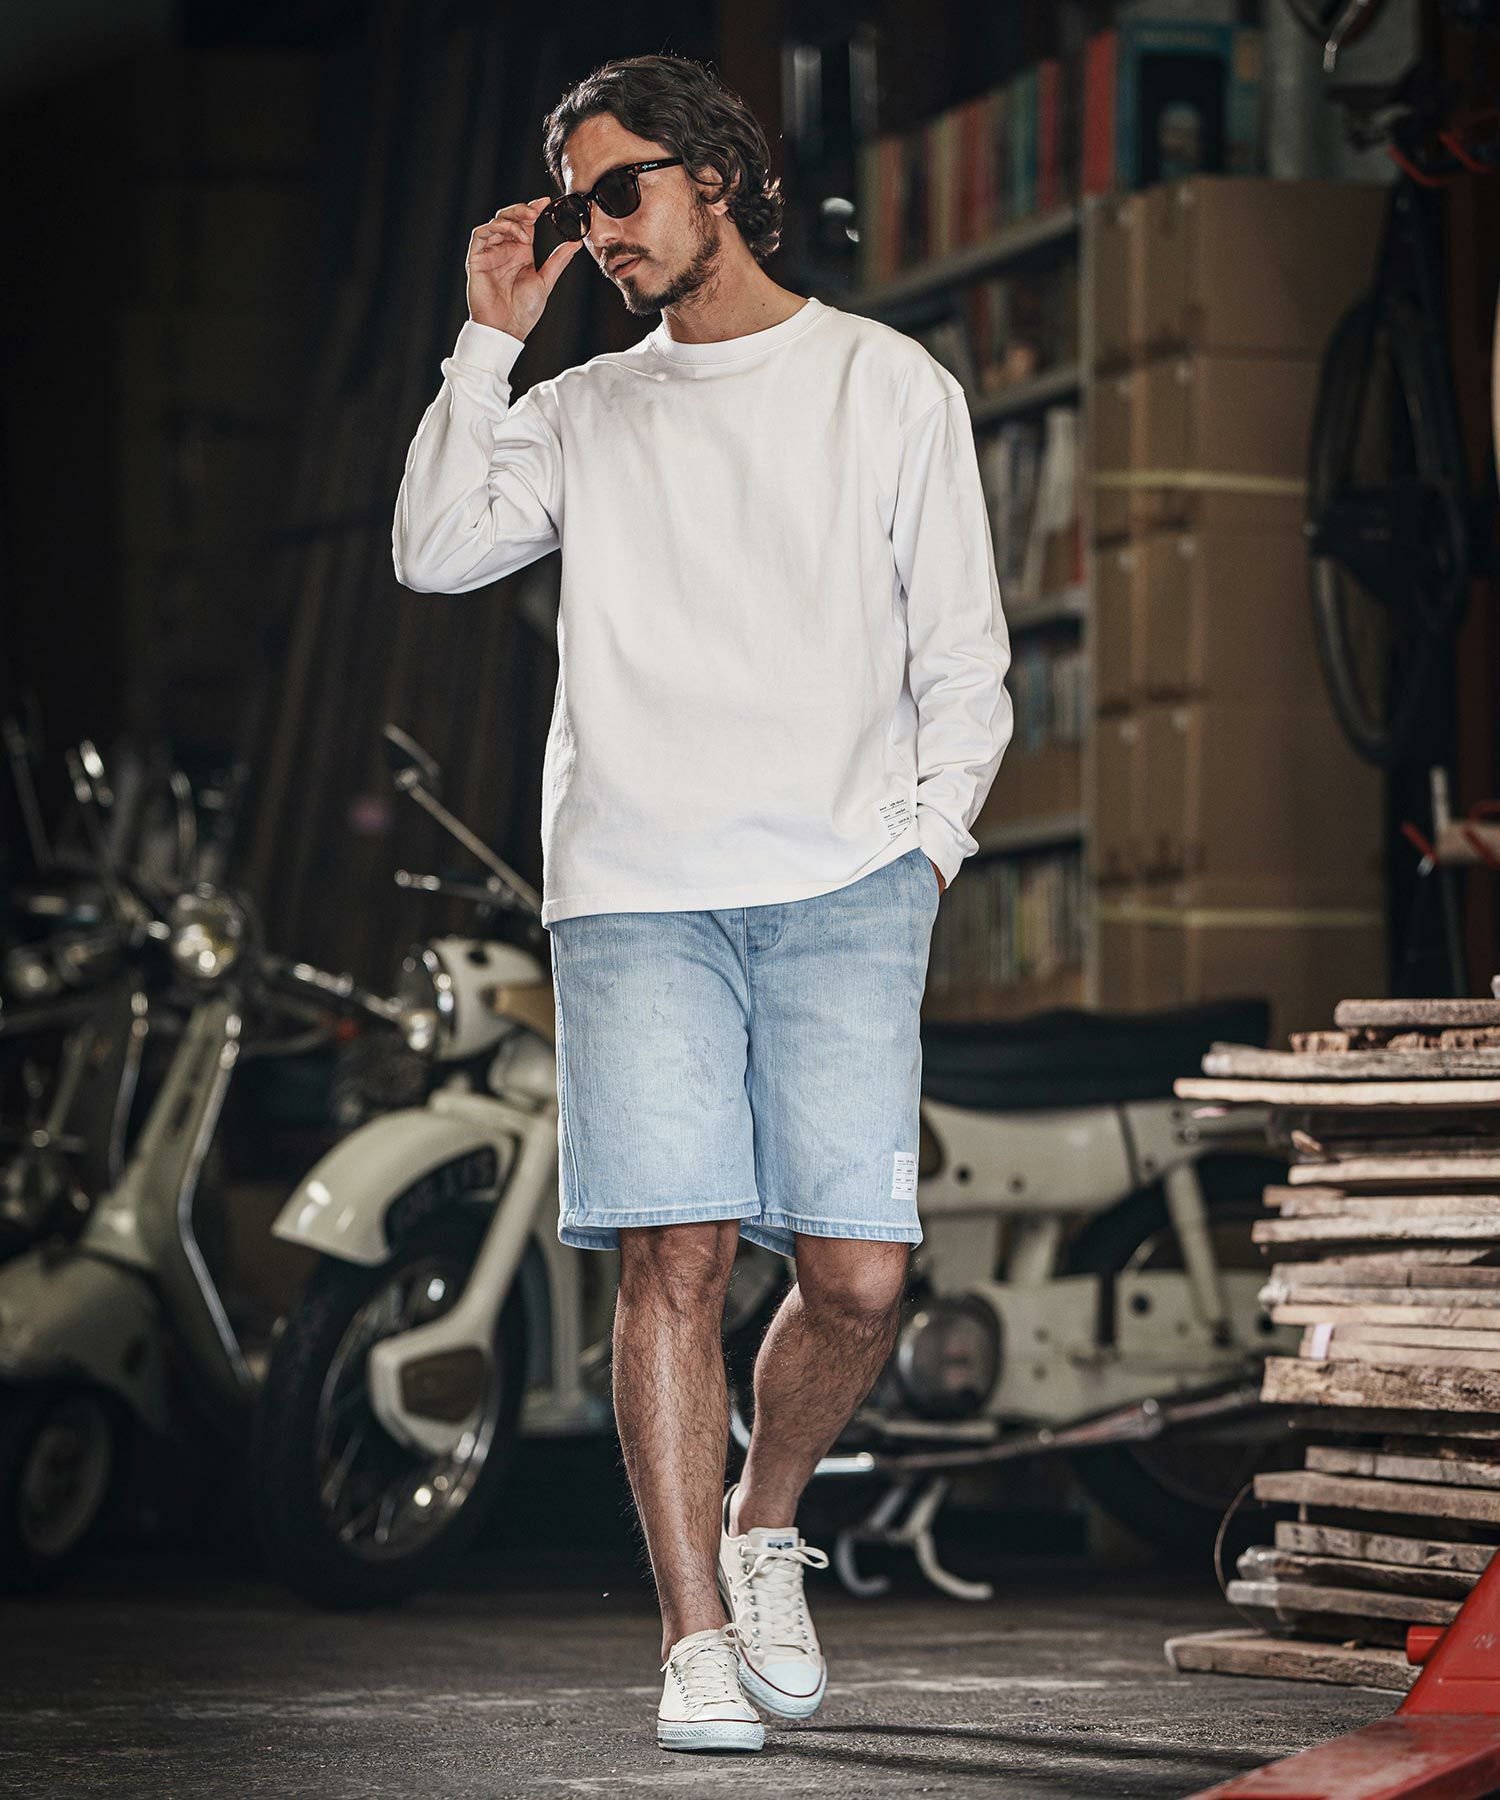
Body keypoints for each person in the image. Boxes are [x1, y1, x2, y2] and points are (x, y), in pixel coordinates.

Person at [393, 51, 1013, 1756]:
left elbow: (966, 662)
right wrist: (489, 338)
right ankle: (691, 1640)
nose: (600, 230)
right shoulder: (585, 407)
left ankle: (763, 1522)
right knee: (675, 1257)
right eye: (577, 206)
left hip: (844, 888)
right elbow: (434, 549)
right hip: (638, 895)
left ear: (717, 175)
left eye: (623, 190)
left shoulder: (885, 386)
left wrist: (925, 853)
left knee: (860, 1279)